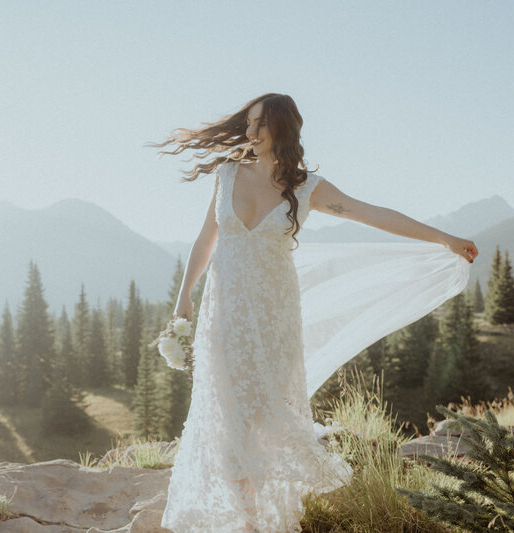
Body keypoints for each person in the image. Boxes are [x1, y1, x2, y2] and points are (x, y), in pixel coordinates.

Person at [149, 93, 478, 532]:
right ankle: (243, 516)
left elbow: (373, 214)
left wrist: (445, 239)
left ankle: (257, 513)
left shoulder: (306, 188)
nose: (251, 132)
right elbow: (205, 239)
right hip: (224, 313)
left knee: (264, 414)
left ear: (282, 128)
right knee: (227, 412)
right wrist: (183, 297)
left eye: (261, 124)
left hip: (275, 316)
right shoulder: (227, 174)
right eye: (249, 123)